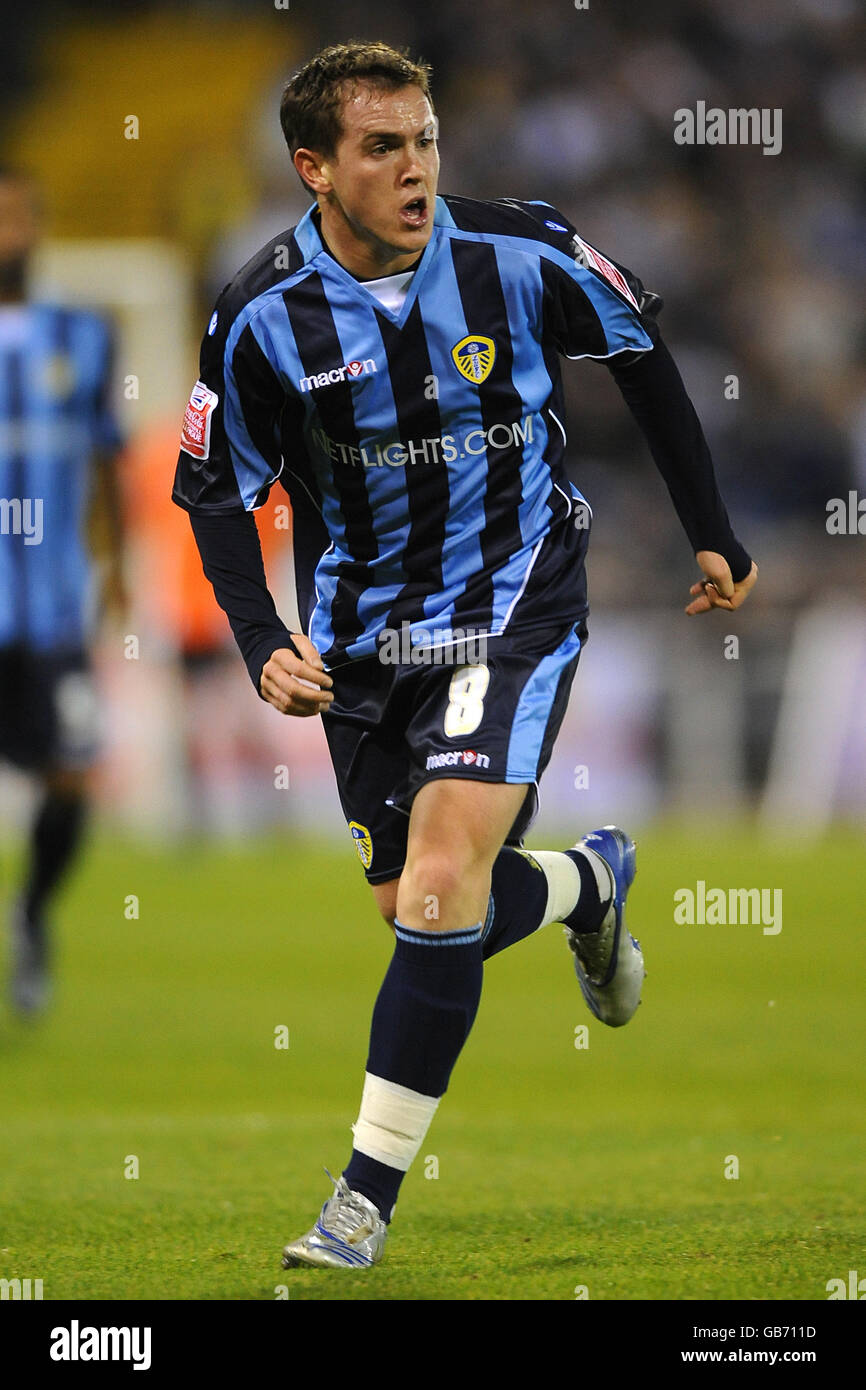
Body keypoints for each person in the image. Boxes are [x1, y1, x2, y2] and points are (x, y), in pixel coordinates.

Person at [172, 41, 757, 1269]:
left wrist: (710, 533)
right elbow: (213, 490)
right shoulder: (260, 313)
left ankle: (360, 1198)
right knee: (418, 910)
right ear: (313, 169)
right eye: (382, 147)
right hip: (359, 642)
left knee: (439, 885)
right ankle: (589, 884)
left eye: (424, 138)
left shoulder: (522, 249)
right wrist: (262, 638)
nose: (416, 167)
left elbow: (642, 349)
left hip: (512, 600)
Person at [0, 167, 125, 1014]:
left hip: (50, 607)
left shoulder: (82, 336)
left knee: (74, 772)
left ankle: (34, 914)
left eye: (19, 211)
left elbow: (108, 460)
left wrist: (121, 570)